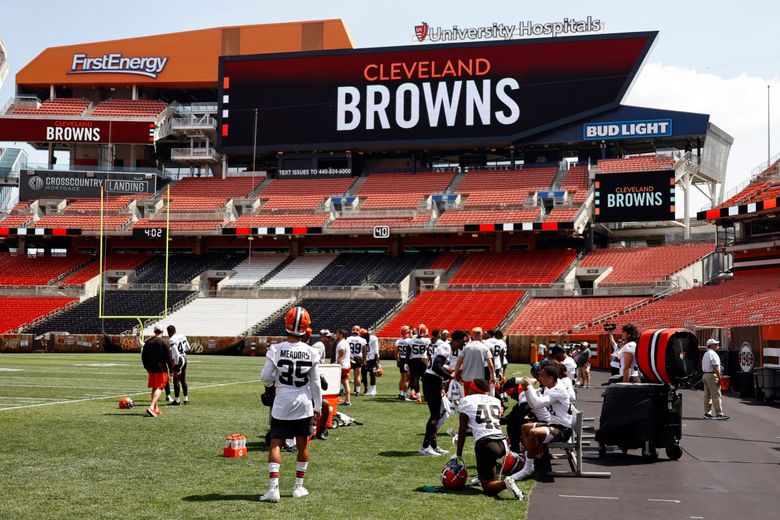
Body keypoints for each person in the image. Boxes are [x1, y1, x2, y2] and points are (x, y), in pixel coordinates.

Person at [259, 306, 322, 502]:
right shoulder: (312, 351)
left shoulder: (276, 349)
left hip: (282, 402)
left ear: (286, 325)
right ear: (306, 327)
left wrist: (272, 384)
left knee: (276, 443)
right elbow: (316, 383)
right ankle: (298, 487)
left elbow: (264, 376)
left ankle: (273, 489)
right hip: (303, 402)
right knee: (302, 444)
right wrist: (318, 406)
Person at [453, 378, 524, 500]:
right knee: (487, 474)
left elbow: (463, 429)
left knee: (488, 487)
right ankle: (481, 477)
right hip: (501, 443)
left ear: (473, 388)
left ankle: (505, 483)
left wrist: (458, 454)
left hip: (486, 444)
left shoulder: (466, 400)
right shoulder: (495, 400)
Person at [508, 364, 573, 481]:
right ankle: (532, 458)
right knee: (524, 427)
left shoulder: (558, 390)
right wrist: (527, 388)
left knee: (533, 432)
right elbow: (534, 403)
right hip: (553, 425)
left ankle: (528, 467)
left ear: (551, 378)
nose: (539, 378)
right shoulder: (551, 387)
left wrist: (529, 387)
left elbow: (536, 404)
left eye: (542, 376)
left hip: (563, 429)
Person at [420, 329, 453, 456]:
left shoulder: (437, 346)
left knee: (438, 414)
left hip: (434, 380)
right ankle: (425, 447)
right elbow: (436, 366)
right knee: (435, 415)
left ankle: (433, 445)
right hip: (431, 380)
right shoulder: (444, 346)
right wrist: (450, 377)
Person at [140, 326, 174, 417]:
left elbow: (143, 357)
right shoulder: (164, 342)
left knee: (154, 388)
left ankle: (156, 408)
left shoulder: (148, 342)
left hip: (151, 369)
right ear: (162, 332)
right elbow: (169, 358)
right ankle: (151, 407)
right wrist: (171, 371)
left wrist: (146, 368)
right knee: (159, 387)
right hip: (161, 369)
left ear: (154, 331)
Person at [453, 327, 494, 396]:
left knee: (467, 399)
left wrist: (455, 374)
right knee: (478, 400)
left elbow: (459, 362)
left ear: (472, 335)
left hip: (466, 378)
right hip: (479, 379)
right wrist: (492, 376)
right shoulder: (484, 347)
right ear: (481, 335)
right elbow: (490, 364)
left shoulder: (466, 347)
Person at [702, 338, 729, 420]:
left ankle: (707, 413)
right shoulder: (713, 354)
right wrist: (719, 378)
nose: (717, 345)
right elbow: (715, 367)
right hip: (712, 375)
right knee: (716, 395)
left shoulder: (706, 354)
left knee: (707, 396)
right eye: (715, 344)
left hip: (705, 375)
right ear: (711, 345)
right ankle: (719, 414)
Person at [166, 324, 191, 405]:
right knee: (183, 380)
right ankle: (186, 399)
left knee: (176, 380)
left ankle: (177, 400)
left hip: (179, 359)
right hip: (184, 357)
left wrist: (176, 365)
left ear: (168, 332)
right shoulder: (182, 336)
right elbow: (188, 348)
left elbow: (176, 354)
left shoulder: (171, 339)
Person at [407, 324, 430, 403]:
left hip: (414, 360)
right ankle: (426, 397)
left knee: (415, 379)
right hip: (423, 360)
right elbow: (429, 352)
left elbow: (408, 352)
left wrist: (407, 363)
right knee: (425, 380)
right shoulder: (427, 340)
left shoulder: (411, 340)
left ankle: (418, 397)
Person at [348, 325, 367, 396]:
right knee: (358, 375)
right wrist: (364, 360)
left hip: (350, 358)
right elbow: (364, 351)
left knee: (346, 375)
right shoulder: (362, 340)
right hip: (358, 358)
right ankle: (357, 391)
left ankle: (342, 389)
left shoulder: (348, 339)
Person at [334, 329, 352, 406]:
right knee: (345, 383)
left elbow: (341, 355)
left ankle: (347, 400)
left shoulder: (341, 344)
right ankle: (347, 400)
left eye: (337, 333)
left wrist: (336, 364)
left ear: (341, 335)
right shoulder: (346, 343)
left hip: (342, 366)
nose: (336, 335)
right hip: (346, 365)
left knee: (343, 383)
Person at [361, 329, 380, 396]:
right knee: (363, 373)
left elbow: (376, 349)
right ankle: (367, 388)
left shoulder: (373, 338)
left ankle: (373, 389)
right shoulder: (362, 340)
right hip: (365, 358)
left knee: (372, 373)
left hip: (372, 358)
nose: (363, 337)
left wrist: (376, 360)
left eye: (364, 336)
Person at [395, 325, 411, 401]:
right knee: (406, 379)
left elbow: (396, 353)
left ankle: (401, 393)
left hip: (401, 359)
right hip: (407, 360)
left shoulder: (398, 341)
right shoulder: (409, 341)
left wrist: (397, 361)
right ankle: (403, 395)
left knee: (402, 378)